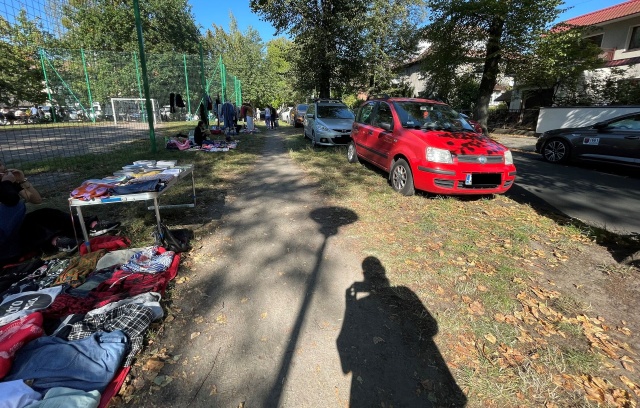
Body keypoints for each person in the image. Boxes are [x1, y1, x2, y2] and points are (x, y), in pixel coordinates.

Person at [0, 161, 119, 266]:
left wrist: (21, 180)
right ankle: (58, 241)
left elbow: (36, 199)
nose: (2, 168)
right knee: (32, 227)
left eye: (1, 165)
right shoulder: (5, 185)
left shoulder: (5, 183)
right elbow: (11, 201)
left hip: (11, 229)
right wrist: (6, 184)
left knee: (45, 214)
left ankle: (90, 225)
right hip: (4, 241)